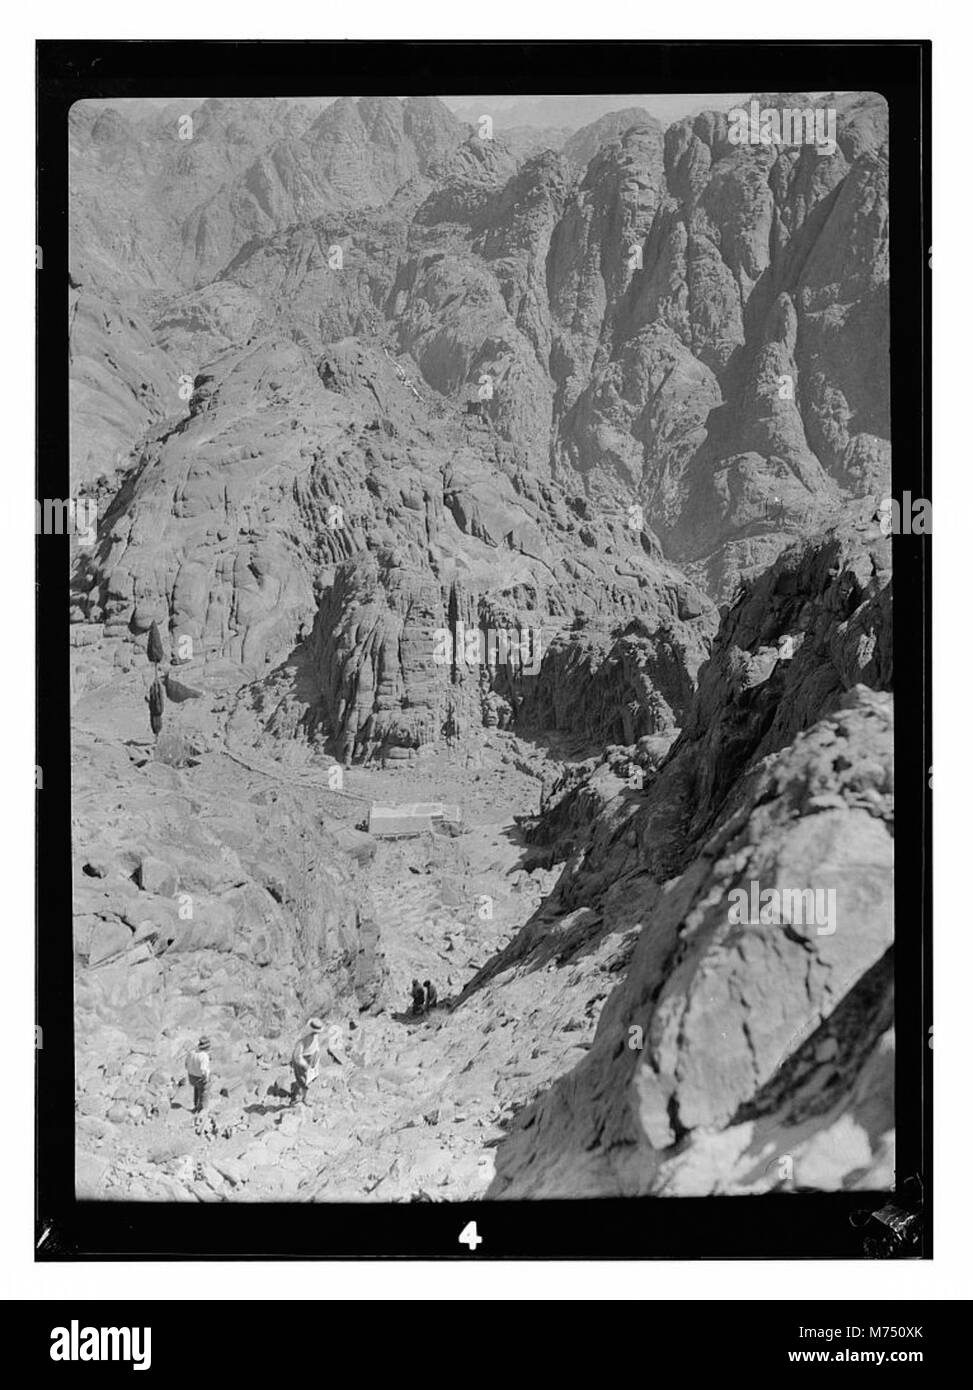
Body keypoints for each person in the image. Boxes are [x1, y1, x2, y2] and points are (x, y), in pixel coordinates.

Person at [290, 1018, 325, 1105]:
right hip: (301, 1061)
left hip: (311, 1059)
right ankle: (300, 1098)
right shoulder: (302, 1040)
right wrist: (305, 1065)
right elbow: (296, 1056)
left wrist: (316, 1057)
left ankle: (301, 1095)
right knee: (304, 1080)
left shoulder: (315, 1037)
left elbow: (316, 1047)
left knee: (309, 1079)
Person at [186, 1036, 211, 1115]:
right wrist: (205, 1079)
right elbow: (203, 1070)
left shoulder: (192, 1052)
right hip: (199, 1077)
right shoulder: (204, 1056)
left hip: (191, 1076)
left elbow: (186, 1064)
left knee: (196, 1089)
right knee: (204, 1091)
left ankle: (196, 1106)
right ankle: (202, 1109)